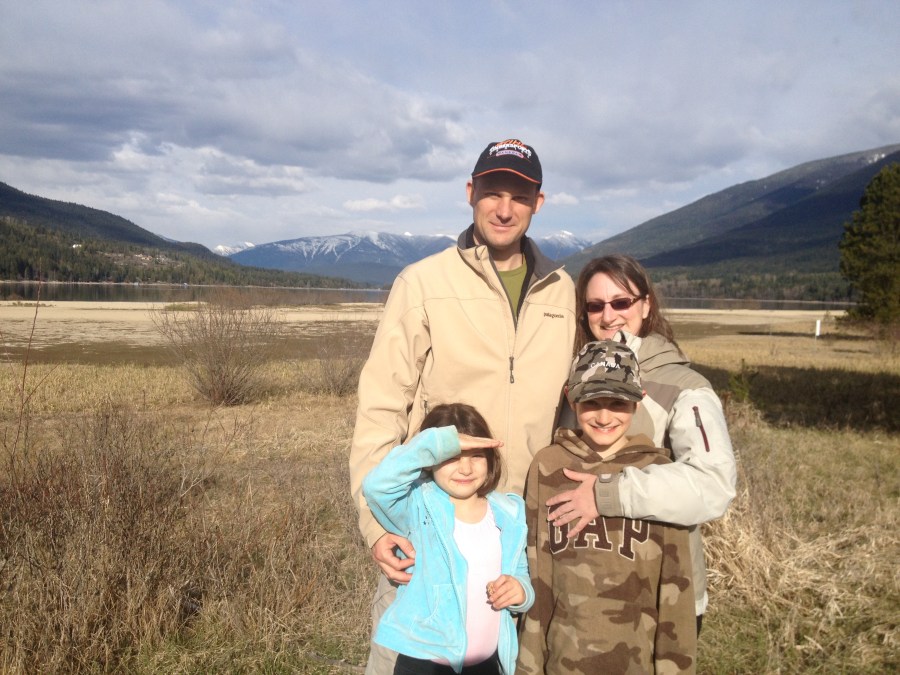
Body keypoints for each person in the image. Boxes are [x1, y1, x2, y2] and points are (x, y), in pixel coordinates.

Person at [348, 138, 575, 673]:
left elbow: (575, 410)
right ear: (470, 193)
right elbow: (380, 411)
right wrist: (376, 525)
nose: (503, 208)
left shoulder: (562, 291)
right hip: (431, 527)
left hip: (519, 534)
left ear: (538, 203)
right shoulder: (423, 283)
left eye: (518, 196)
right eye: (491, 192)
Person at [548, 254, 737, 631]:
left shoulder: (685, 387)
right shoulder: (575, 378)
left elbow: (713, 484)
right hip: (580, 585)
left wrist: (608, 495)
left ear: (646, 304)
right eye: (595, 305)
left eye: (621, 302)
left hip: (661, 590)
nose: (608, 315)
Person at [517, 340, 696, 674]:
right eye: (591, 402)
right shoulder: (548, 465)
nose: (603, 416)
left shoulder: (658, 474)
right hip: (561, 661)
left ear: (638, 402)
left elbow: (676, 592)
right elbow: (536, 571)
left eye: (617, 403)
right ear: (571, 398)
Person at [363, 403, 534, 675]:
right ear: (430, 459)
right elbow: (376, 486)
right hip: (423, 664)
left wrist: (521, 591)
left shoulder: (509, 513)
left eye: (476, 456)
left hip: (488, 665)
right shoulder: (415, 507)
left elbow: (520, 571)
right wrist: (436, 443)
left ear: (491, 459)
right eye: (452, 456)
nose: (465, 468)